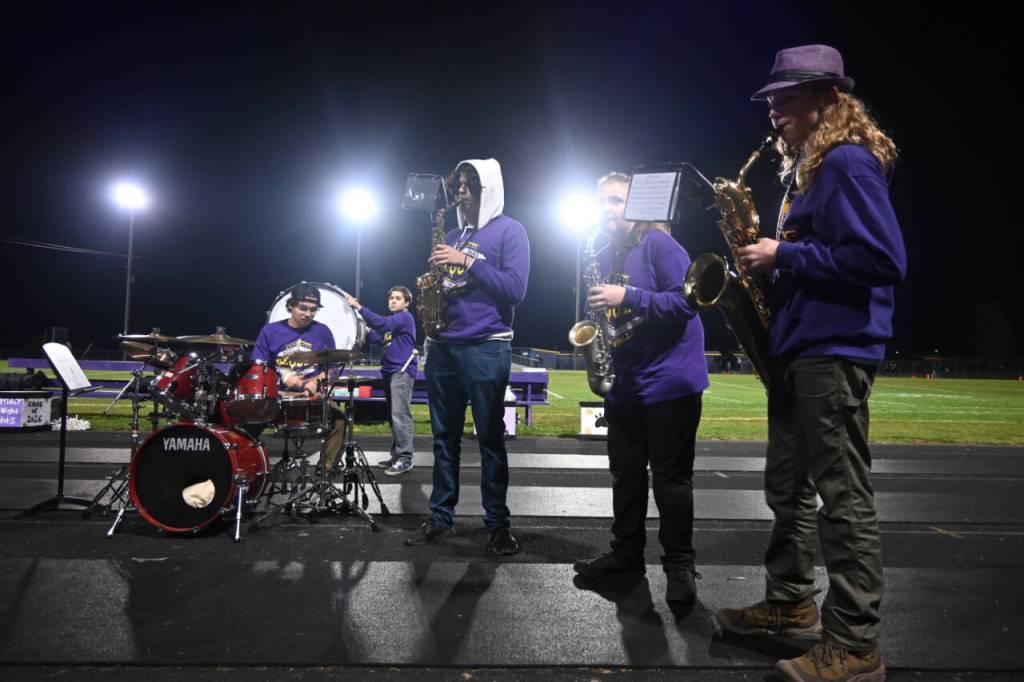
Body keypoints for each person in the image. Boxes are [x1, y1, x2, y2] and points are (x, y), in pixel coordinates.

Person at [716, 45, 906, 682]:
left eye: (786, 97)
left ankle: (854, 646)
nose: (774, 111)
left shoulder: (848, 163)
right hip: (800, 347)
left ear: (828, 98)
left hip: (834, 348)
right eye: (770, 99)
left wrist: (783, 258)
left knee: (841, 499)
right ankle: (791, 605)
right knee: (788, 491)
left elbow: (884, 260)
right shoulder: (812, 170)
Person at [571, 172, 709, 605]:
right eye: (603, 202)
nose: (608, 210)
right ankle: (626, 556)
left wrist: (626, 296)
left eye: (616, 201)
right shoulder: (607, 251)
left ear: (637, 208)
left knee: (671, 482)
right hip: (628, 385)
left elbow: (689, 301)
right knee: (625, 478)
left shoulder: (660, 244)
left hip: (670, 384)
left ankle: (680, 568)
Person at [403, 158, 530, 556]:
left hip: (486, 346)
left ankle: (497, 524)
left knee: (490, 438)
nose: (460, 191)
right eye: (458, 184)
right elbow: (448, 283)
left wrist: (468, 262)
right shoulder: (454, 234)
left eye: (469, 184)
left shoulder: (512, 231)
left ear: (488, 188)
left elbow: (515, 289)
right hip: (443, 347)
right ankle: (441, 516)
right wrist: (431, 289)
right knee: (443, 438)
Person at [345, 286, 418, 476]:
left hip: (401, 371)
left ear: (407, 303)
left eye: (398, 298)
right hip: (390, 372)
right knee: (394, 417)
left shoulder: (403, 317)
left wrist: (360, 308)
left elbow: (383, 324)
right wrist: (362, 326)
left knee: (400, 415)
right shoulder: (393, 323)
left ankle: (405, 458)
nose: (393, 301)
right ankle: (397, 456)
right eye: (391, 297)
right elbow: (379, 338)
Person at [252, 283, 335, 396]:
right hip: (277, 396)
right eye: (303, 308)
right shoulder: (270, 331)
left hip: (313, 397)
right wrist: (285, 378)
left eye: (313, 310)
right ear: (291, 305)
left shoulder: (323, 332)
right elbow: (258, 369)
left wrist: (316, 382)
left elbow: (332, 369)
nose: (308, 314)